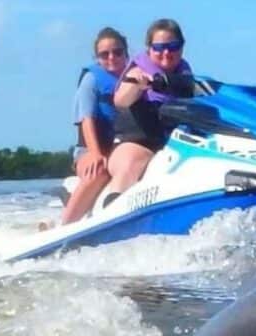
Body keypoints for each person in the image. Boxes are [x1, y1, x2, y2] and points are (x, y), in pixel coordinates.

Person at [107, 18, 194, 198]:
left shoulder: (186, 76)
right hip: (136, 142)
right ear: (149, 49)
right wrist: (137, 86)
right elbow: (120, 100)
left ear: (182, 47)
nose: (166, 52)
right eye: (159, 48)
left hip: (176, 143)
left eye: (173, 46)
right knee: (132, 163)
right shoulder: (137, 72)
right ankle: (114, 206)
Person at [59, 27, 129, 225]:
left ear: (126, 52)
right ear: (97, 57)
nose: (111, 58)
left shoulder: (134, 79)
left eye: (117, 52)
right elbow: (86, 120)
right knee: (97, 171)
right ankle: (64, 226)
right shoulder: (92, 80)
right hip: (90, 149)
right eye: (104, 54)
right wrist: (96, 154)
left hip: (121, 149)